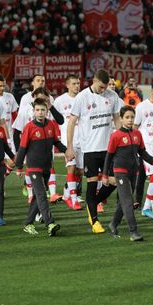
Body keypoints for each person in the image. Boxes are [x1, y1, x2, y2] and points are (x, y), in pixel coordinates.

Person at [65, 69, 123, 233]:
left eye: (105, 87)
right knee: (92, 183)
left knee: (116, 180)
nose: (103, 90)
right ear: (94, 81)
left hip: (109, 148)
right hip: (89, 149)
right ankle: (95, 221)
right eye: (101, 87)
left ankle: (94, 203)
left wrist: (122, 138)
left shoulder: (112, 96)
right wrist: (69, 147)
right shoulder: (82, 97)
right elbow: (71, 123)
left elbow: (117, 118)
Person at [102, 106, 153, 241]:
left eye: (132, 117)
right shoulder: (116, 136)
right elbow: (109, 156)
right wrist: (105, 175)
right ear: (121, 119)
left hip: (133, 172)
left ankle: (113, 224)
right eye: (127, 117)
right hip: (120, 172)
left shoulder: (137, 134)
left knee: (125, 200)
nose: (130, 120)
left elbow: (142, 153)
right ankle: (133, 231)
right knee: (128, 201)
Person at [15, 98, 66, 237]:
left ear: (47, 111)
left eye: (43, 110)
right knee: (42, 194)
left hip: (46, 167)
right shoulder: (29, 127)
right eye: (37, 110)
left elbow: (56, 142)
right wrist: (19, 167)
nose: (40, 112)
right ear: (33, 111)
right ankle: (50, 223)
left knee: (38, 197)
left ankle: (28, 223)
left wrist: (67, 150)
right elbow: (22, 148)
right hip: (33, 168)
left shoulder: (50, 125)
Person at [13, 87, 64, 203]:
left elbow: (61, 121)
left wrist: (50, 106)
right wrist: (18, 151)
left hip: (46, 142)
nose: (41, 100)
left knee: (49, 166)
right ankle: (31, 195)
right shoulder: (26, 110)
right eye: (38, 98)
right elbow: (17, 130)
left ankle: (52, 193)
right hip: (31, 145)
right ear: (34, 98)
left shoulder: (48, 109)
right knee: (31, 169)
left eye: (44, 98)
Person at [133, 80, 153, 219]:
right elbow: (135, 127)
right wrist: (136, 147)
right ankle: (151, 208)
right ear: (152, 92)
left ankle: (150, 208)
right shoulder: (141, 107)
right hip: (147, 146)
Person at [53, 74, 84, 210]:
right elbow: (55, 119)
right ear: (67, 85)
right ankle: (73, 198)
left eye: (78, 83)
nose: (76, 86)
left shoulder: (83, 98)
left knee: (80, 171)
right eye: (73, 83)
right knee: (71, 168)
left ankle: (67, 193)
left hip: (83, 140)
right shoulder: (59, 101)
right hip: (68, 140)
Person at [0, 74, 19, 139]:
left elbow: (15, 115)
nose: (2, 88)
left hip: (10, 133)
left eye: (4, 86)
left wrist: (17, 130)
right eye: (0, 86)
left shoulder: (10, 97)